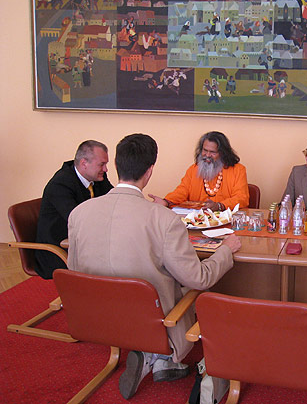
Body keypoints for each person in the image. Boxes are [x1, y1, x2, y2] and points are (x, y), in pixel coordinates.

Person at [67, 134, 241, 400]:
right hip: (153, 320)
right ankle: (160, 355)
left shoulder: (79, 213)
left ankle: (156, 359)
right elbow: (199, 279)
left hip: (95, 317)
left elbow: (74, 271)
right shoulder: (164, 220)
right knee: (193, 290)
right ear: (149, 171)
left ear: (116, 165)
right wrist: (226, 250)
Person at [35, 140, 112, 279]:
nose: (106, 169)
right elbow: (78, 220)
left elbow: (114, 199)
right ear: (84, 163)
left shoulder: (98, 177)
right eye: (102, 164)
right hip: (59, 250)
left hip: (83, 243)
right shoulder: (61, 184)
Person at [151, 132, 249, 211]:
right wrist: (166, 201)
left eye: (212, 152)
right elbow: (181, 191)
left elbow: (242, 198)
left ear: (223, 153)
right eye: (205, 150)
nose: (207, 155)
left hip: (226, 221)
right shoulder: (193, 169)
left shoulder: (238, 170)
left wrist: (220, 206)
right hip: (198, 222)